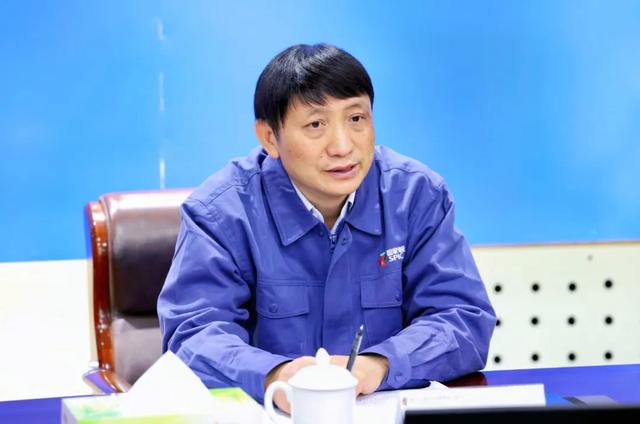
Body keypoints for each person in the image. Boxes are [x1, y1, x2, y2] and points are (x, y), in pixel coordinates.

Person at [157, 43, 496, 412]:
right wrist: (276, 376)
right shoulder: (221, 213)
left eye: (356, 118)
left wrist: (378, 365)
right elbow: (193, 336)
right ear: (270, 137)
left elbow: (462, 318)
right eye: (316, 124)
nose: (342, 146)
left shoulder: (415, 195)